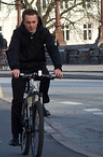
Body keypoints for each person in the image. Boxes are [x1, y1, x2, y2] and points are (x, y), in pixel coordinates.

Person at [7, 9, 63, 146]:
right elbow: (12, 50)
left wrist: (58, 67)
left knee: (46, 77)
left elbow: (52, 48)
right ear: (23, 22)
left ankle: (42, 101)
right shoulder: (18, 33)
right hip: (21, 67)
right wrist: (15, 68)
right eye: (28, 23)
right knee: (17, 101)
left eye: (34, 22)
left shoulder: (43, 32)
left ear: (37, 21)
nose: (31, 25)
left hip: (38, 65)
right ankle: (16, 134)